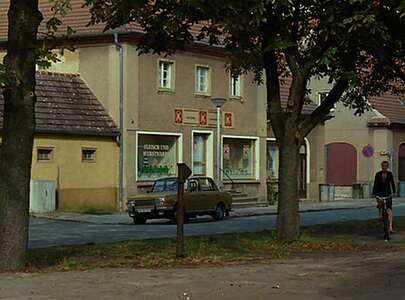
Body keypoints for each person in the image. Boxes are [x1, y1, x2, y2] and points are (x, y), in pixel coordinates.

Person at [373, 160, 396, 233]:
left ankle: (390, 227)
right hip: (380, 193)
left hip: (388, 193)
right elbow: (375, 184)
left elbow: (392, 183)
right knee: (380, 205)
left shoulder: (390, 174)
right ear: (381, 166)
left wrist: (394, 192)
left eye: (386, 166)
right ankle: (380, 215)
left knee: (389, 210)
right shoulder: (378, 174)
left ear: (387, 167)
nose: (384, 168)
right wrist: (374, 193)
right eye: (383, 166)